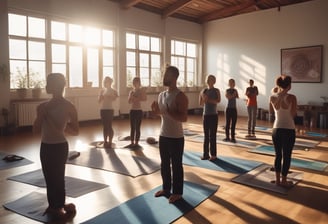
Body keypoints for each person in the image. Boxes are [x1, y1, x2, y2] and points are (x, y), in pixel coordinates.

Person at [33, 73, 79, 220]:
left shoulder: (69, 106)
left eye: (49, 83)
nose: (46, 86)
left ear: (57, 86)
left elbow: (76, 131)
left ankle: (58, 205)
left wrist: (61, 126)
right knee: (49, 178)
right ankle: (53, 205)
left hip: (60, 147)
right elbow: (35, 131)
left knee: (58, 178)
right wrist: (41, 115)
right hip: (45, 146)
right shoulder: (42, 106)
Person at [151, 65, 188, 203]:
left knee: (176, 165)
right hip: (163, 135)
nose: (163, 78)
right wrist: (155, 112)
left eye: (166, 75)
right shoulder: (161, 95)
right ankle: (166, 189)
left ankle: (177, 192)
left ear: (174, 77)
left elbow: (184, 118)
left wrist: (168, 112)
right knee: (164, 164)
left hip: (176, 137)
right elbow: (161, 114)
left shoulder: (180, 96)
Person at [269, 75, 297, 188]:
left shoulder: (272, 97)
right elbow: (293, 114)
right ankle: (284, 180)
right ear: (289, 86)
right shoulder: (292, 97)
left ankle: (277, 180)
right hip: (289, 129)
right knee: (287, 155)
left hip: (276, 129)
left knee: (278, 155)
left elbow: (271, 112)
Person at [199, 74, 221, 160]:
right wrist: (204, 99)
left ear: (214, 81)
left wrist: (209, 100)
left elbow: (218, 101)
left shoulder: (216, 90)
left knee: (213, 135)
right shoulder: (203, 91)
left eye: (212, 79)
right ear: (207, 81)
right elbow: (200, 103)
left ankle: (213, 155)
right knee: (206, 135)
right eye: (209, 79)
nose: (210, 81)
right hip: (205, 115)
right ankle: (205, 154)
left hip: (213, 115)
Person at [126, 77, 147, 148]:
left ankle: (136, 143)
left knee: (137, 128)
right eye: (134, 82)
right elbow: (129, 102)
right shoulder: (131, 91)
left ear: (139, 83)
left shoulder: (141, 91)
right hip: (132, 110)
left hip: (139, 111)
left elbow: (145, 99)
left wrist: (136, 98)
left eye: (136, 82)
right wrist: (131, 97)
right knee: (132, 128)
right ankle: (132, 142)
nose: (135, 84)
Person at [98, 76, 118, 148]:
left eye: (108, 81)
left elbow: (115, 98)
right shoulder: (102, 91)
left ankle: (110, 141)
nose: (106, 83)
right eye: (105, 82)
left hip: (110, 109)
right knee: (104, 126)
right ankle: (105, 141)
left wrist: (110, 96)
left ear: (110, 82)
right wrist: (101, 97)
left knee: (109, 126)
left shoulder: (113, 91)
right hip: (103, 109)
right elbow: (99, 101)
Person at [224, 78, 239, 143]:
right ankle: (227, 137)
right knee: (227, 123)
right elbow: (228, 97)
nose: (231, 84)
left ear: (234, 84)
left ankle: (233, 138)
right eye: (230, 83)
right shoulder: (227, 90)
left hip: (234, 109)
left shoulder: (235, 90)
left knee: (233, 124)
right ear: (229, 84)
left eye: (233, 83)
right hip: (228, 108)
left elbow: (237, 97)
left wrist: (235, 94)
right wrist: (233, 95)